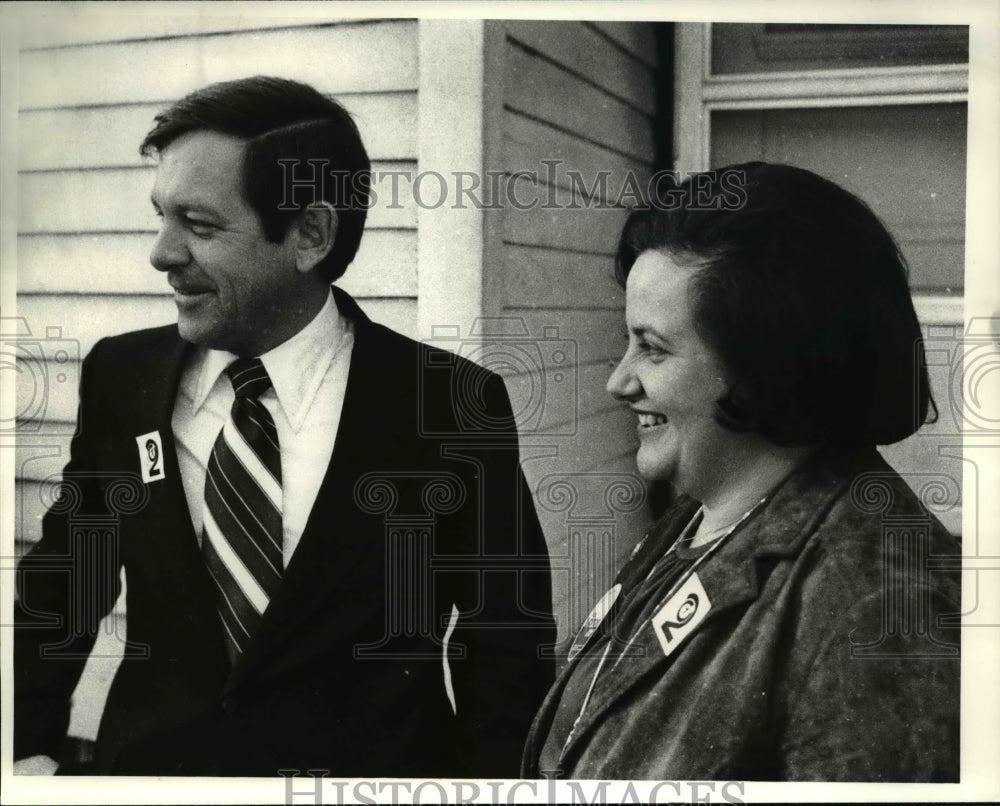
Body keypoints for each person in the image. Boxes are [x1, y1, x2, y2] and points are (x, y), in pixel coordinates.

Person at [15, 75, 556, 777]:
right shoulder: (124, 377)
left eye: (200, 225)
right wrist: (22, 751)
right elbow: (63, 588)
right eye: (161, 217)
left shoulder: (449, 403)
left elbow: (506, 647)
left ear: (310, 233)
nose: (161, 254)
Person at [522, 162, 960, 782]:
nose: (617, 382)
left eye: (652, 348)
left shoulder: (877, 601)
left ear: (766, 364)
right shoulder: (706, 513)